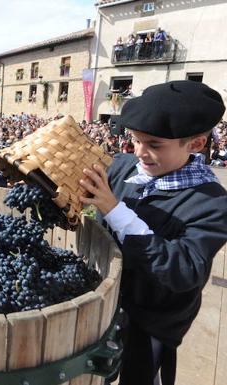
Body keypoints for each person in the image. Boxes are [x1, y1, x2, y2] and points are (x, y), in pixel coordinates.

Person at [78, 81, 227, 385]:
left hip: (152, 321)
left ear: (196, 144)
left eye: (154, 145)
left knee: (138, 377)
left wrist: (115, 210)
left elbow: (184, 270)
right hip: (103, 303)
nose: (140, 153)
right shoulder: (121, 166)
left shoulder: (213, 203)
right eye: (135, 140)